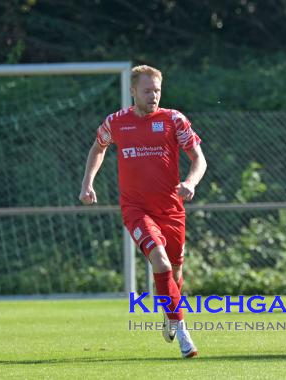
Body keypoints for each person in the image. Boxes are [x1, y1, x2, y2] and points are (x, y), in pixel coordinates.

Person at [79, 65, 206, 359]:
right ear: (133, 91)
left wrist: (190, 181)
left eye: (157, 90)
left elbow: (198, 157)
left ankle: (169, 310)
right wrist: (87, 183)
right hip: (136, 209)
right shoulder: (116, 122)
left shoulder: (174, 120)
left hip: (171, 210)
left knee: (174, 272)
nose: (154, 96)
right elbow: (98, 148)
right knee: (159, 262)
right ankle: (184, 333)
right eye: (147, 91)